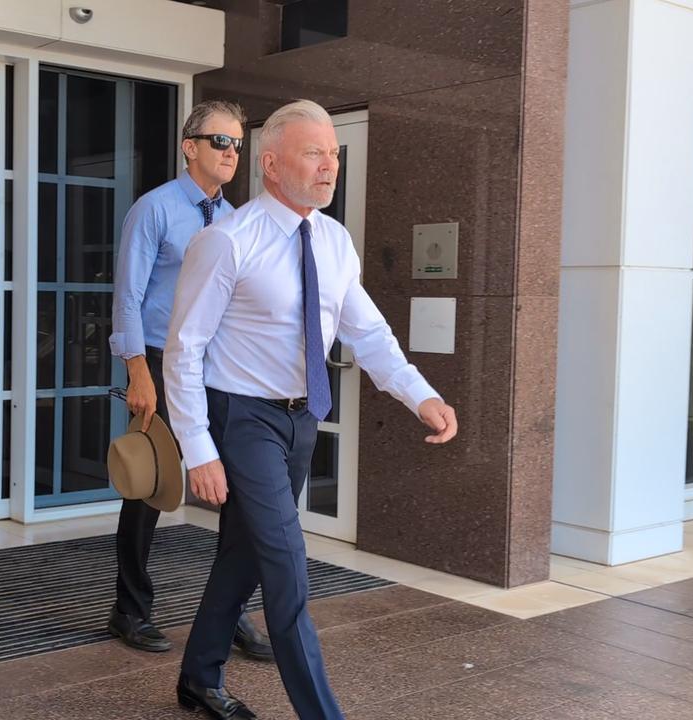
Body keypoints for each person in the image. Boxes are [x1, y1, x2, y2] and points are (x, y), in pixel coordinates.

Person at [165, 100, 459, 719]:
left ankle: (197, 677)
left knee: (245, 554)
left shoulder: (333, 240)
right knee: (286, 563)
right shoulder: (225, 242)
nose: (329, 167)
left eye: (333, 154)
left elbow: (368, 332)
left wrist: (420, 394)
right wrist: (198, 448)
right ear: (271, 164)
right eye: (313, 153)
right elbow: (183, 349)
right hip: (241, 416)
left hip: (301, 420)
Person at [106, 100, 270, 660]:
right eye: (220, 141)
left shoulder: (239, 219)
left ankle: (232, 612)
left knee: (241, 492)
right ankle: (130, 610)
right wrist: (137, 371)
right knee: (150, 486)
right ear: (190, 146)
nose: (231, 153)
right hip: (157, 358)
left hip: (219, 365)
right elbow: (127, 295)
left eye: (237, 144)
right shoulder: (154, 210)